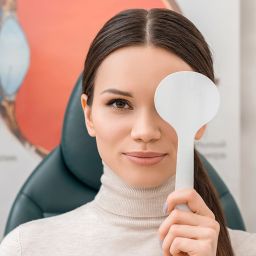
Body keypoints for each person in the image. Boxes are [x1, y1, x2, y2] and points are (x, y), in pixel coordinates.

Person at [0, 7, 255, 256]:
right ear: (88, 115)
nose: (144, 132)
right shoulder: (26, 248)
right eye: (119, 104)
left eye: (169, 104)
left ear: (201, 119)